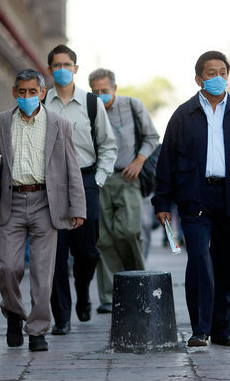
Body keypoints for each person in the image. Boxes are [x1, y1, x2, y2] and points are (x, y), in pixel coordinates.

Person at [152, 51, 230, 347]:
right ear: (198, 79)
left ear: (228, 76)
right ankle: (200, 328)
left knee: (227, 264)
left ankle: (222, 325)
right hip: (195, 197)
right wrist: (163, 203)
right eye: (210, 73)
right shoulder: (183, 114)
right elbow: (166, 160)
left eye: (222, 72)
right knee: (199, 259)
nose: (217, 77)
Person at [0, 69, 86, 351]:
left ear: (42, 93)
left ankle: (38, 331)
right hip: (11, 202)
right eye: (22, 92)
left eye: (33, 92)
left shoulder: (60, 124)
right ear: (15, 92)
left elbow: (72, 168)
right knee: (9, 268)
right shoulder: (1, 122)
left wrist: (77, 207)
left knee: (43, 272)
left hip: (46, 203)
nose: (27, 97)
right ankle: (14, 314)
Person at [44, 45, 117, 335]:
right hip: (50, 184)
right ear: (49, 70)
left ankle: (84, 291)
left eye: (67, 64)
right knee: (54, 254)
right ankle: (61, 316)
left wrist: (98, 179)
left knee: (87, 252)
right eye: (56, 65)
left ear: (76, 68)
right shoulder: (41, 101)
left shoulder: (91, 103)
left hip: (86, 181)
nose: (61, 69)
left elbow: (108, 144)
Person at [88, 68, 160, 314]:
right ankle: (109, 296)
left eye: (104, 91)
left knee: (129, 231)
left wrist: (139, 161)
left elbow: (152, 137)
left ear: (114, 89)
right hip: (101, 179)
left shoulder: (132, 105)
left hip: (128, 176)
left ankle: (139, 283)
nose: (100, 96)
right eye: (95, 92)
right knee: (104, 238)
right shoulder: (90, 110)